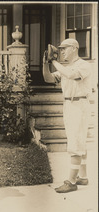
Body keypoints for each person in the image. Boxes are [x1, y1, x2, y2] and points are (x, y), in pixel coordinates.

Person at [42, 38, 93, 193]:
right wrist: (46, 63)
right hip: (69, 104)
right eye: (60, 49)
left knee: (75, 143)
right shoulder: (67, 67)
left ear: (74, 48)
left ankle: (71, 182)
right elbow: (48, 78)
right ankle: (82, 176)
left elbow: (71, 75)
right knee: (78, 140)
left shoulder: (83, 65)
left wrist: (54, 62)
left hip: (79, 104)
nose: (61, 51)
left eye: (64, 48)